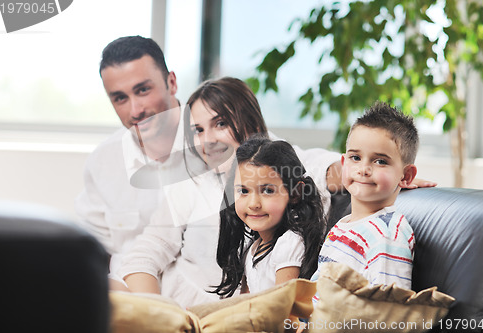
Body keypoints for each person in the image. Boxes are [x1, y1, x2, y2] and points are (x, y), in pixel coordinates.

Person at [115, 77, 341, 308]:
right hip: (172, 299)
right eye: (198, 130)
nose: (208, 140)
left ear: (252, 124)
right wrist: (155, 310)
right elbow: (147, 252)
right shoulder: (195, 177)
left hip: (221, 312)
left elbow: (328, 166)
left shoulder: (277, 164)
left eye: (221, 124)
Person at [74, 36, 186, 282]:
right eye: (120, 98)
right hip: (130, 304)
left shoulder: (222, 139)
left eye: (143, 90)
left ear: (172, 82)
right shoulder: (103, 162)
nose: (135, 111)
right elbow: (89, 255)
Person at [312, 102, 419, 305]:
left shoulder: (387, 235)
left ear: (406, 176)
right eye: (355, 157)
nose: (363, 169)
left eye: (380, 161)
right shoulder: (343, 225)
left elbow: (388, 314)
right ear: (344, 164)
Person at [212, 136, 327, 297]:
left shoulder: (289, 244)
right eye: (244, 191)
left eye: (267, 191)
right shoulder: (252, 249)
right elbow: (243, 304)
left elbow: (281, 308)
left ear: (295, 193)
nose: (253, 204)